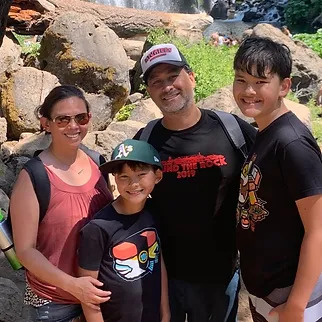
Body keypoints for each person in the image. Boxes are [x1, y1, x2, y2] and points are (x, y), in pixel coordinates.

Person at [134, 43, 257, 322]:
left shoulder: (233, 130)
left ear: (191, 77)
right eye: (156, 82)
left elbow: (274, 175)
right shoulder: (145, 140)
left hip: (222, 275)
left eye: (173, 76)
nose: (167, 87)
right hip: (164, 275)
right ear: (150, 91)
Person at [233, 37, 322, 322]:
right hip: (268, 290)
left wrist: (296, 306)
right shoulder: (265, 131)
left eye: (260, 82)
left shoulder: (291, 143)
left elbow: (318, 230)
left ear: (284, 86)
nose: (248, 91)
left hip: (291, 295)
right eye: (241, 79)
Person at [10, 85, 113, 321]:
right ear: (46, 124)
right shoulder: (33, 177)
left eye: (81, 117)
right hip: (53, 306)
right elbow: (25, 251)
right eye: (63, 119)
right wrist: (74, 286)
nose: (74, 126)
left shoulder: (99, 163)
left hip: (99, 299)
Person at [78, 139, 170, 322]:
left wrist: (165, 312)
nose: (133, 184)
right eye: (124, 177)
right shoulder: (97, 228)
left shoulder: (154, 211)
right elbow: (88, 294)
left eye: (141, 174)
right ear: (115, 179)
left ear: (157, 176)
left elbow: (158, 260)